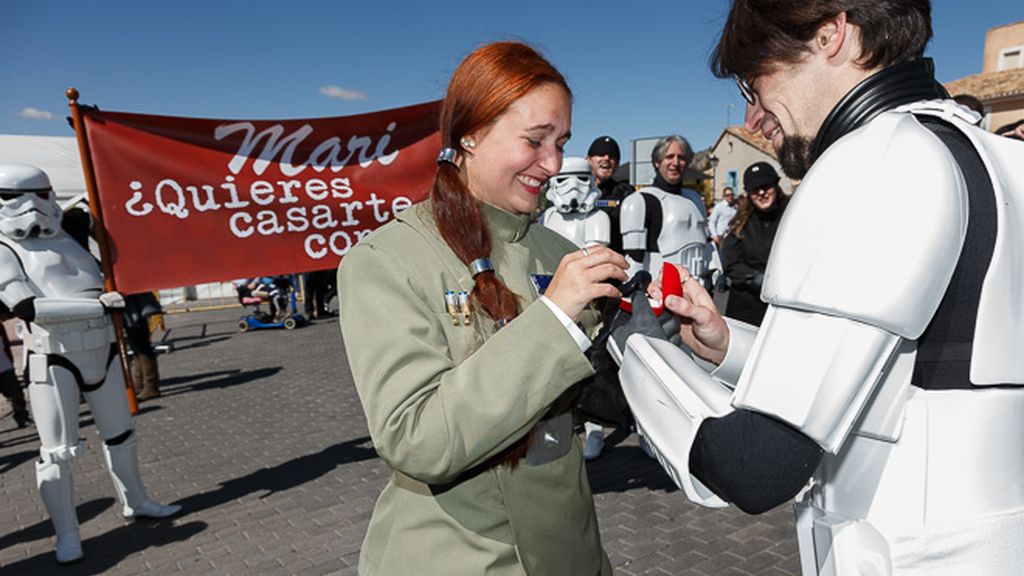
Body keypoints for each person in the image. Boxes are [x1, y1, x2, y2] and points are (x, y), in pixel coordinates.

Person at [612, 1, 1024, 574]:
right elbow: (919, 374)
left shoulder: (874, 160)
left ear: (831, 34)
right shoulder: (1000, 157)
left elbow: (754, 465)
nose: (753, 115)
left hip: (907, 555)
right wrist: (730, 345)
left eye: (755, 80)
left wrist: (632, 348)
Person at [338, 41, 623, 576]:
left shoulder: (558, 253)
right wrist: (555, 320)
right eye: (534, 140)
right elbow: (416, 438)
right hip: (461, 555)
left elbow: (589, 403)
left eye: (561, 143)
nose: (553, 164)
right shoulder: (385, 260)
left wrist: (659, 341)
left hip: (571, 551)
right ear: (470, 134)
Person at [0, 164, 180, 563]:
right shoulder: (4, 247)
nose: (31, 205)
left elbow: (120, 239)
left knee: (121, 434)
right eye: (15, 197)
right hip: (53, 356)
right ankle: (67, 534)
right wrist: (97, 306)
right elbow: (26, 307)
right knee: (58, 452)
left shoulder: (73, 230)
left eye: (41, 193)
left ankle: (136, 501)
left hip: (103, 349)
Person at [538, 156, 614, 461]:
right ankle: (556, 432)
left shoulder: (598, 217)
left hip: (589, 299)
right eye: (564, 180)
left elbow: (593, 257)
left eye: (581, 179)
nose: (573, 187)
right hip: (553, 298)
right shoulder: (548, 216)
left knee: (591, 365)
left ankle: (595, 428)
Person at [619, 135, 716, 287]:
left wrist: (716, 270)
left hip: (698, 288)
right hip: (659, 291)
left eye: (681, 158)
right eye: (669, 157)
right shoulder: (640, 201)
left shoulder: (695, 199)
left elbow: (707, 241)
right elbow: (633, 260)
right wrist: (636, 293)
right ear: (657, 162)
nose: (675, 163)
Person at [720, 163, 788, 326]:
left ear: (776, 185)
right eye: (755, 189)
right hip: (746, 306)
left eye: (766, 187)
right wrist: (755, 278)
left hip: (784, 303)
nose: (762, 193)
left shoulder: (792, 214)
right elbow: (730, 262)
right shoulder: (740, 223)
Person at [586, 135, 634, 253]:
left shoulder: (625, 193)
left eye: (612, 156)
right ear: (589, 160)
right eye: (600, 154)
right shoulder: (574, 191)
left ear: (617, 164)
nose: (607, 158)